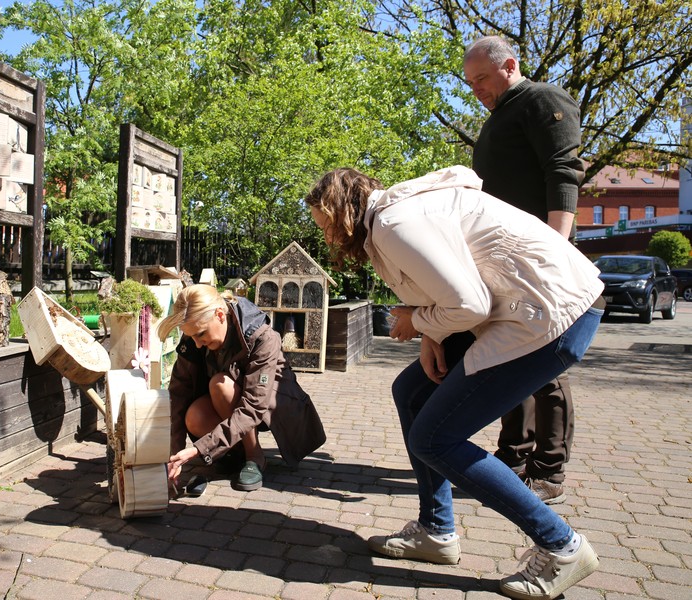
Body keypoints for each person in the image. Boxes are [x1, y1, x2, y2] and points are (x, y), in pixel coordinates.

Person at [306, 165, 604, 600]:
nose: (329, 238)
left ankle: (562, 546)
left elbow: (469, 303)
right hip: (525, 310)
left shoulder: (393, 223)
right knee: (410, 392)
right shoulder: (393, 217)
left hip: (553, 318)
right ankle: (435, 531)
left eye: (328, 226)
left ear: (344, 210)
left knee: (436, 439)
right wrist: (431, 332)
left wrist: (417, 320)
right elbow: (455, 286)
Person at [463, 35, 586, 504]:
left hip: (541, 260)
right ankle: (512, 455)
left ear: (509, 65)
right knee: (508, 356)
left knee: (545, 365)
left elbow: (562, 171)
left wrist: (556, 249)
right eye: (470, 82)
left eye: (482, 79)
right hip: (508, 261)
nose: (476, 89)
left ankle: (548, 468)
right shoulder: (499, 118)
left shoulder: (543, 100)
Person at [157, 284, 325, 493]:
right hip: (232, 406)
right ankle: (233, 454)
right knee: (195, 416)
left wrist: (200, 449)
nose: (197, 344)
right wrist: (173, 455)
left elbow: (253, 406)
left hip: (268, 408)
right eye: (192, 337)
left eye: (200, 334)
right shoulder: (194, 338)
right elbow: (178, 395)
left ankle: (254, 456)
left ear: (219, 314)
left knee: (220, 385)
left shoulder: (263, 337)